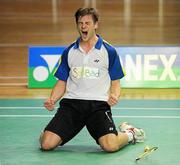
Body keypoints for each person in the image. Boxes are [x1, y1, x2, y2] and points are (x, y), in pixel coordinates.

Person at [39, 7, 145, 152]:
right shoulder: (69, 51)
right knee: (46, 144)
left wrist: (114, 95)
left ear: (96, 25)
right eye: (80, 23)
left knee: (110, 146)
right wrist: (52, 99)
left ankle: (130, 133)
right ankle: (48, 134)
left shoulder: (109, 51)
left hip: (97, 105)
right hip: (72, 104)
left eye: (87, 23)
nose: (83, 26)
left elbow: (115, 82)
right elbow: (62, 81)